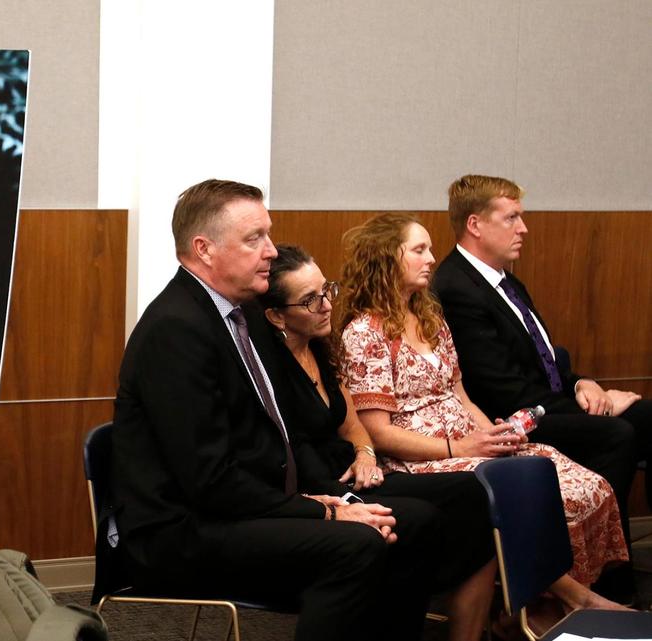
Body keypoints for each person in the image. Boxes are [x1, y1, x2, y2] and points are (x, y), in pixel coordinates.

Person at [112, 179, 448, 641]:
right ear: (204, 249)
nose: (271, 250)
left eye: (268, 235)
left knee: (416, 522)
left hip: (240, 507)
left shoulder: (242, 313)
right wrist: (320, 512)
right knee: (355, 545)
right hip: (181, 532)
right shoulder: (176, 330)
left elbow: (271, 436)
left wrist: (317, 498)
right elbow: (209, 480)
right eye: (255, 239)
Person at [334, 212, 629, 611]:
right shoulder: (366, 332)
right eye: (418, 250)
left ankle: (535, 608)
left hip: (469, 442)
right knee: (523, 488)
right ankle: (564, 601)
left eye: (429, 249)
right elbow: (380, 434)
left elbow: (460, 394)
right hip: (418, 458)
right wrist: (462, 447)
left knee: (575, 480)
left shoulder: (430, 317)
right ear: (387, 258)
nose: (431, 258)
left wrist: (494, 433)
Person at [253, 243, 496, 641]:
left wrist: (366, 455)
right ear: (277, 315)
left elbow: (352, 426)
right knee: (420, 518)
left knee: (473, 492)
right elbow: (292, 452)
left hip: (354, 472)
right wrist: (343, 494)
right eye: (310, 300)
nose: (327, 305)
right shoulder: (269, 367)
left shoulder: (319, 346)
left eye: (326, 291)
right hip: (319, 488)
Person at [432, 175, 652, 555]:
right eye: (512, 218)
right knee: (616, 432)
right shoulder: (457, 288)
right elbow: (503, 390)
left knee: (648, 416)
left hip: (543, 403)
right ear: (475, 225)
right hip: (510, 420)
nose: (524, 228)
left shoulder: (505, 280)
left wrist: (586, 386)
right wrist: (598, 411)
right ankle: (599, 569)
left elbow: (545, 363)